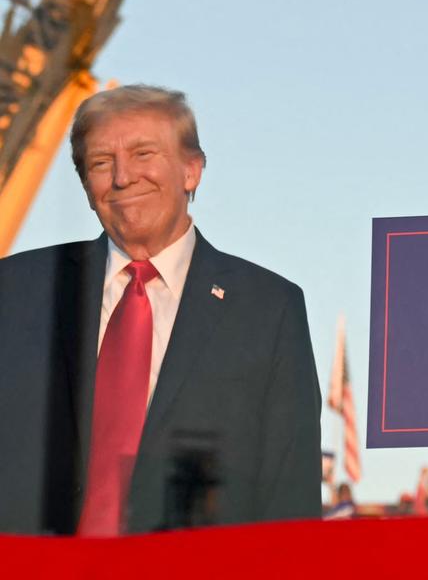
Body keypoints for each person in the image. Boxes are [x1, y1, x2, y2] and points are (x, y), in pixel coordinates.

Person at [0, 85, 321, 535]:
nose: (122, 176)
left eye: (143, 153)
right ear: (87, 189)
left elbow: (291, 495)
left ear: (192, 170)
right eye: (100, 162)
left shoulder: (269, 308)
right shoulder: (16, 289)